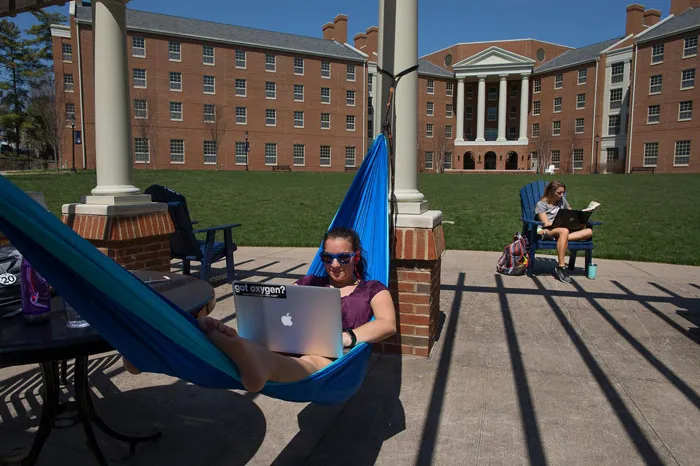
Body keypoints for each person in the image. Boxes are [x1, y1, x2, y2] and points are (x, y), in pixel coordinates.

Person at [197, 226, 396, 392]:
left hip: (336, 359)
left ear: (356, 256)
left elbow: (387, 324)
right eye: (327, 258)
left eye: (343, 258)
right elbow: (282, 303)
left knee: (312, 362)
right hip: (293, 344)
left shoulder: (371, 288)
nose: (334, 265)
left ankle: (258, 364)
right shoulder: (310, 282)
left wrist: (347, 337)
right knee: (267, 345)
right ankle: (242, 347)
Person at [535, 180, 593, 284]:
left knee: (588, 231)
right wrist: (560, 224)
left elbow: (570, 213)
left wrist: (579, 219)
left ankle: (562, 238)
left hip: (562, 229)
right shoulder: (541, 204)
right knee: (564, 230)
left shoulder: (562, 201)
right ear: (551, 192)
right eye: (559, 193)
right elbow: (545, 223)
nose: (562, 195)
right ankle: (561, 267)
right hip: (546, 230)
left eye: (563, 192)